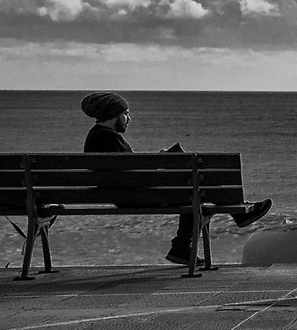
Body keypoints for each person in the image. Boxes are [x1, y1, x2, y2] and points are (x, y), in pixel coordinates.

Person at [80, 92, 271, 266]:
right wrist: (161, 161)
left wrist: (159, 162)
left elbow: (126, 172)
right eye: (126, 114)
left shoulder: (97, 137)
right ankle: (234, 216)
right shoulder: (108, 138)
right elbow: (131, 174)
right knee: (198, 187)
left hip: (127, 195)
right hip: (135, 197)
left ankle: (183, 248)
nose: (129, 118)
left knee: (196, 191)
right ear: (113, 114)